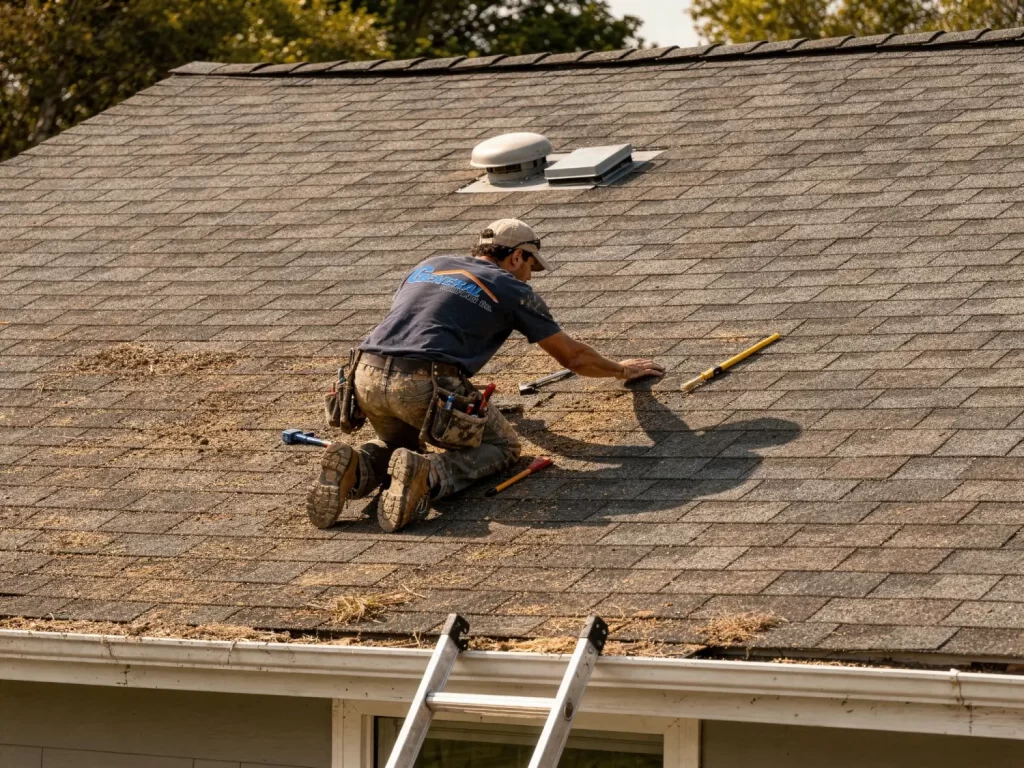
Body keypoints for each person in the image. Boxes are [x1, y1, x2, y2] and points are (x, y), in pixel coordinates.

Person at [307, 219, 665, 532]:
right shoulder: (512, 288)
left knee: (399, 445)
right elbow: (572, 357)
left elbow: (421, 325)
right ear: (516, 256)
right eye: (530, 266)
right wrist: (621, 370)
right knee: (504, 446)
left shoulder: (429, 265)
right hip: (425, 380)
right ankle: (429, 475)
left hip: (364, 374)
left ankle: (358, 466)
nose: (530, 275)